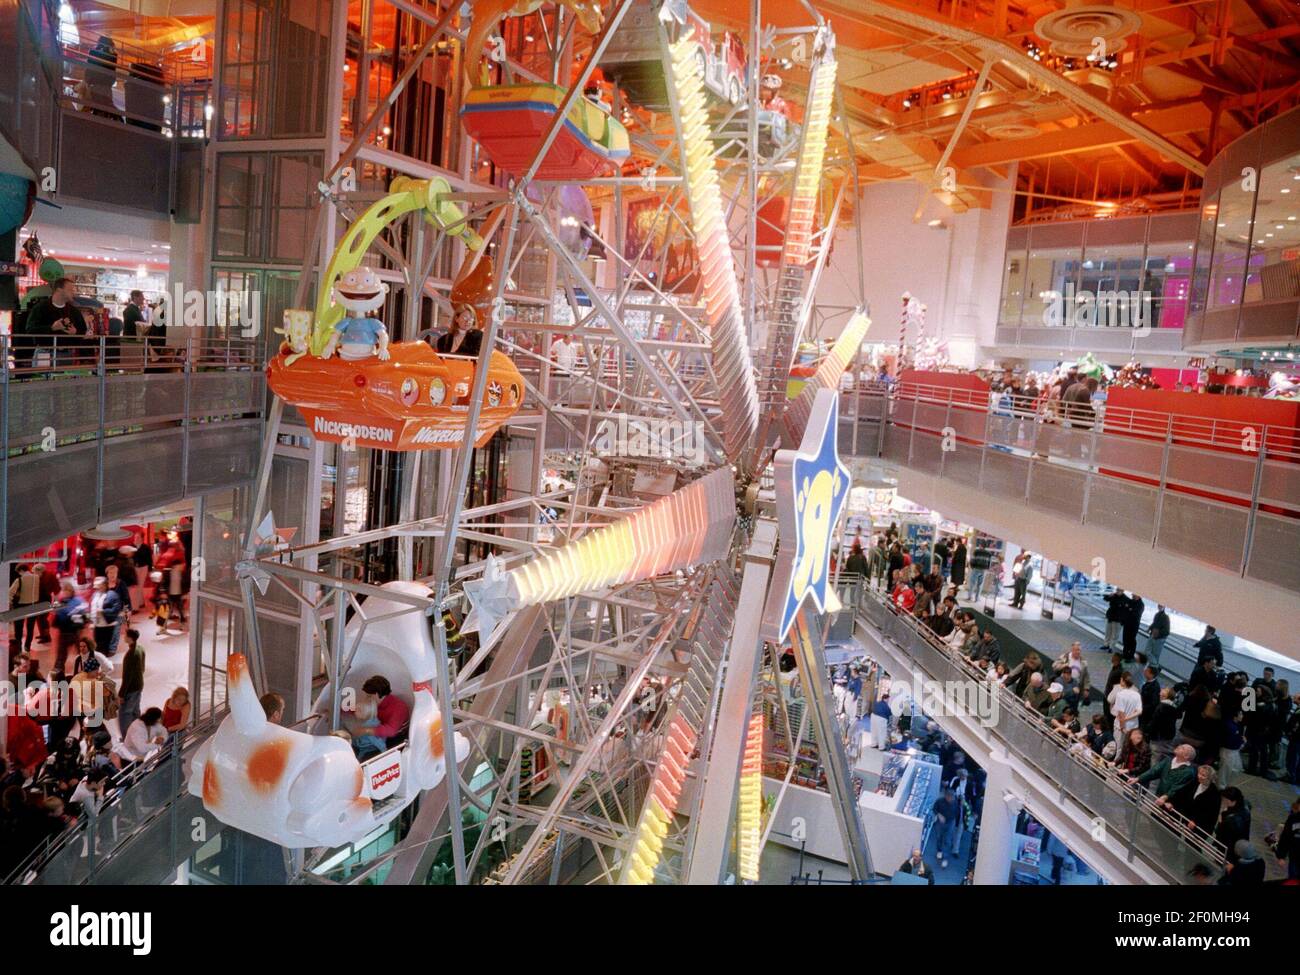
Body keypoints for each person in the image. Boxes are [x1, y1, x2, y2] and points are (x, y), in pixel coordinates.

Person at [23, 278, 84, 369]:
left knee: (64, 381)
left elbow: (83, 330)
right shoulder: (40, 308)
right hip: (44, 352)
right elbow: (30, 329)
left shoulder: (74, 311)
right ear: (59, 290)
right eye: (70, 290)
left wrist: (75, 332)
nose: (74, 293)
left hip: (66, 354)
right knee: (42, 380)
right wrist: (51, 328)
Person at [351, 675, 410, 757]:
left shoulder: (399, 708)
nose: (367, 699)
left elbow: (391, 731)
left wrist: (367, 730)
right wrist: (337, 711)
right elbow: (361, 708)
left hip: (395, 738)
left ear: (377, 694)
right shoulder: (375, 703)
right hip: (379, 734)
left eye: (369, 696)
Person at [1171, 765, 1220, 835]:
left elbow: (1209, 814)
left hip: (1199, 826)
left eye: (1203, 775)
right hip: (1186, 818)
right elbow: (1181, 793)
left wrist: (1196, 821)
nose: (1199, 776)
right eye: (1199, 773)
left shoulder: (1215, 794)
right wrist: (1171, 802)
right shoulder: (1195, 782)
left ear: (1210, 778)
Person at [8, 564, 43, 653]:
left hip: (21, 606)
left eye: (19, 572)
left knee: (18, 627)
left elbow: (10, 593)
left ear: (21, 570)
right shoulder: (37, 578)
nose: (19, 574)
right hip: (34, 605)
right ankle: (27, 646)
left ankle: (19, 647)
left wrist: (10, 602)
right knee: (30, 627)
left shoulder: (19, 580)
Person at [116, 628, 144, 737]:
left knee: (125, 714)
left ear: (130, 638)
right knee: (135, 711)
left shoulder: (130, 655)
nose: (124, 636)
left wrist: (121, 694)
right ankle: (139, 733)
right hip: (139, 685)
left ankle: (126, 737)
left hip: (131, 689)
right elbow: (142, 668)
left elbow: (127, 677)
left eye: (125, 635)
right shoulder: (140, 649)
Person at [88, 576, 123, 658]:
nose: (97, 588)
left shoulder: (113, 595)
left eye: (99, 586)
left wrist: (103, 611)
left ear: (104, 585)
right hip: (97, 624)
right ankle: (100, 662)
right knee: (98, 643)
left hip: (108, 624)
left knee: (104, 645)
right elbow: (92, 608)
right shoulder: (95, 595)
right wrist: (92, 621)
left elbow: (116, 609)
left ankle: (102, 663)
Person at [1109, 670, 1143, 740]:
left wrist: (1122, 725)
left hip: (1120, 726)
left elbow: (1121, 712)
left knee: (1118, 748)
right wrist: (1127, 718)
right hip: (1133, 726)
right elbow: (1139, 711)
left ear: (1122, 680)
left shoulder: (1120, 694)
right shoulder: (1137, 694)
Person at [1273, 796, 1300, 882]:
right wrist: (1281, 856)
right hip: (1295, 857)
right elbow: (1286, 837)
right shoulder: (1293, 818)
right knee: (1293, 878)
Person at [932, 788, 960, 868]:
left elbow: (957, 813)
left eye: (952, 797)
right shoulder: (940, 801)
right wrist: (939, 815)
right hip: (940, 822)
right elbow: (934, 809)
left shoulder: (955, 803)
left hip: (951, 822)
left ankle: (945, 858)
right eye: (949, 797)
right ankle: (939, 850)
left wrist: (955, 823)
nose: (950, 799)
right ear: (945, 796)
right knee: (939, 837)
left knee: (948, 840)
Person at [1144, 604, 1170, 670]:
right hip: (1153, 636)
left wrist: (1158, 633)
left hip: (1159, 639)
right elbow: (1154, 623)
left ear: (1164, 607)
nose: (1159, 606)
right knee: (1148, 652)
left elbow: (1167, 631)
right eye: (1159, 605)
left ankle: (1153, 667)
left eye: (1161, 605)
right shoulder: (1157, 615)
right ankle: (1154, 666)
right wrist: (1150, 628)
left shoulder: (1166, 617)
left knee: (1155, 655)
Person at [1121, 593, 1143, 661]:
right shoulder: (1130, 601)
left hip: (1134, 626)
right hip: (1127, 624)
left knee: (1131, 640)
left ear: (1139, 595)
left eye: (1134, 595)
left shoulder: (1141, 604)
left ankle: (1130, 656)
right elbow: (1125, 610)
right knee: (1125, 639)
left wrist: (1129, 608)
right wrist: (1129, 609)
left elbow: (1135, 614)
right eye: (1132, 595)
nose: (1133, 596)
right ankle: (1125, 654)